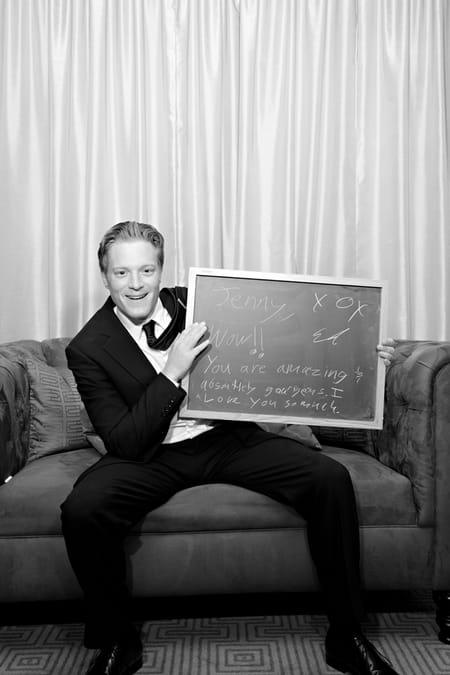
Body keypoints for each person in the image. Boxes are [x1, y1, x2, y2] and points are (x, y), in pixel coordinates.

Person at [61, 220, 398, 675]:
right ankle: (118, 638)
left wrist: (360, 354)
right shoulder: (88, 346)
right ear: (105, 277)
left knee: (330, 478)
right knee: (82, 508)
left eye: (146, 270)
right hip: (150, 455)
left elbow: (289, 341)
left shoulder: (201, 301)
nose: (135, 284)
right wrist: (171, 374)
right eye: (121, 273)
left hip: (224, 438)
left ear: (161, 271)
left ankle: (346, 633)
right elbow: (123, 440)